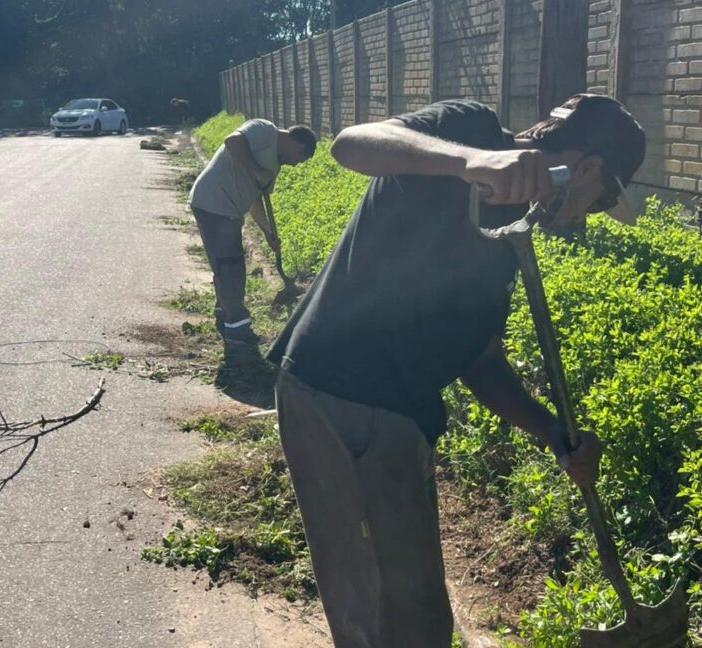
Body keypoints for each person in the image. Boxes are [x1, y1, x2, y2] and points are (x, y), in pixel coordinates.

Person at [266, 94, 646, 647]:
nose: (588, 217)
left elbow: (482, 362)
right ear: (587, 168)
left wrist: (555, 436)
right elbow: (351, 145)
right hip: (334, 392)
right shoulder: (469, 129)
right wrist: (471, 161)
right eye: (602, 199)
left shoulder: (508, 237)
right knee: (372, 605)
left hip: (401, 413)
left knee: (414, 612)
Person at [189, 119, 317, 344]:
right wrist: (257, 170)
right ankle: (237, 330)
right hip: (213, 203)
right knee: (231, 267)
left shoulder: (273, 167)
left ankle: (224, 316)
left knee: (226, 264)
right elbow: (232, 141)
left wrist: (268, 233)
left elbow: (255, 201)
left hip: (227, 210)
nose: (296, 165)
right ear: (297, 145)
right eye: (299, 159)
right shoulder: (263, 130)